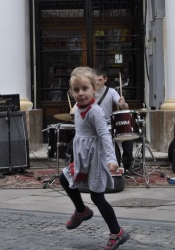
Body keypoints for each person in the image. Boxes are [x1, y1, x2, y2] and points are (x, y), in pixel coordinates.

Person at [59, 67, 130, 250]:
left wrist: (111, 159)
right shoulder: (78, 109)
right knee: (64, 178)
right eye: (76, 90)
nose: (81, 93)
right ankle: (82, 211)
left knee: (97, 197)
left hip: (96, 160)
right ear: (71, 92)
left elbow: (105, 136)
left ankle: (117, 232)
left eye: (85, 88)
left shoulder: (95, 111)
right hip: (83, 158)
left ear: (94, 89)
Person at [94, 69, 134, 170]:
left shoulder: (111, 91)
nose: (97, 82)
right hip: (96, 126)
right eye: (95, 80)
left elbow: (125, 108)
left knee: (128, 137)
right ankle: (115, 161)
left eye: (100, 80)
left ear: (105, 79)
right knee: (112, 149)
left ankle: (127, 165)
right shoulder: (89, 92)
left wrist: (123, 104)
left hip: (109, 124)